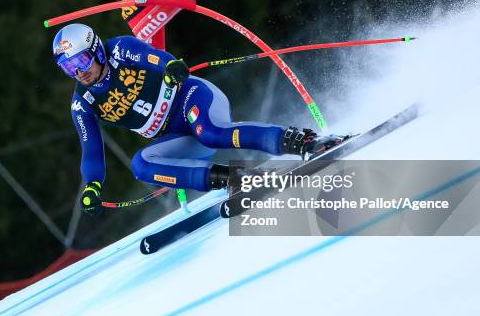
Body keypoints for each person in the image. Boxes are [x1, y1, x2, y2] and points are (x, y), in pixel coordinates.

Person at [53, 23, 343, 215]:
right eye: (69, 68)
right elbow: (91, 150)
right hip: (176, 137)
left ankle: (303, 141)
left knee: (210, 133)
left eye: (80, 61)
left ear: (96, 50)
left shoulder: (119, 49)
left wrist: (172, 66)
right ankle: (234, 179)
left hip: (192, 98)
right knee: (140, 165)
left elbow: (153, 56)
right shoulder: (83, 104)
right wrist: (92, 184)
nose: (79, 73)